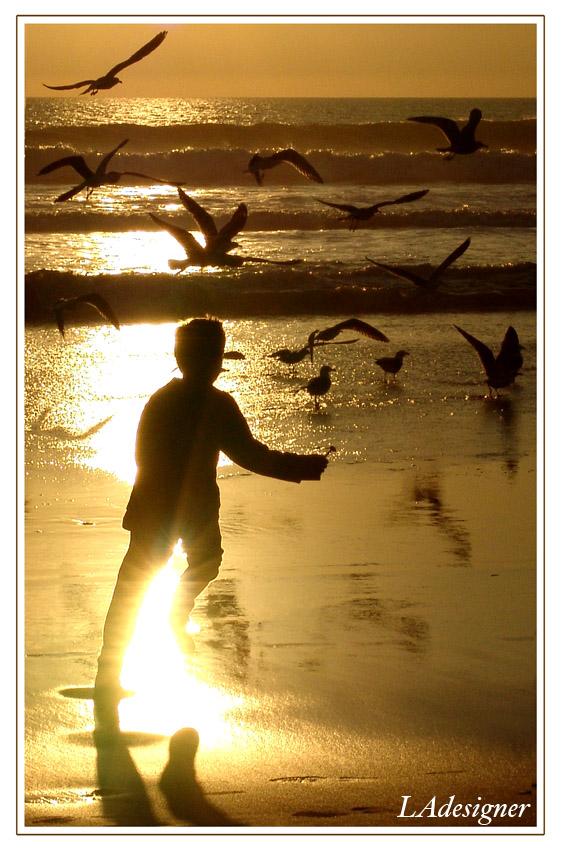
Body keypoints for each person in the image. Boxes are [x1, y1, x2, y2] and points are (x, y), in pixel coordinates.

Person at [94, 318, 328, 728]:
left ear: (179, 356)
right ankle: (175, 612)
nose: (218, 363)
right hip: (193, 506)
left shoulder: (160, 400)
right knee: (203, 562)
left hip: (154, 504)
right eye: (216, 355)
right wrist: (301, 467)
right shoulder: (218, 404)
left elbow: (140, 455)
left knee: (134, 585)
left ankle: (108, 671)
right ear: (213, 361)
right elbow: (250, 455)